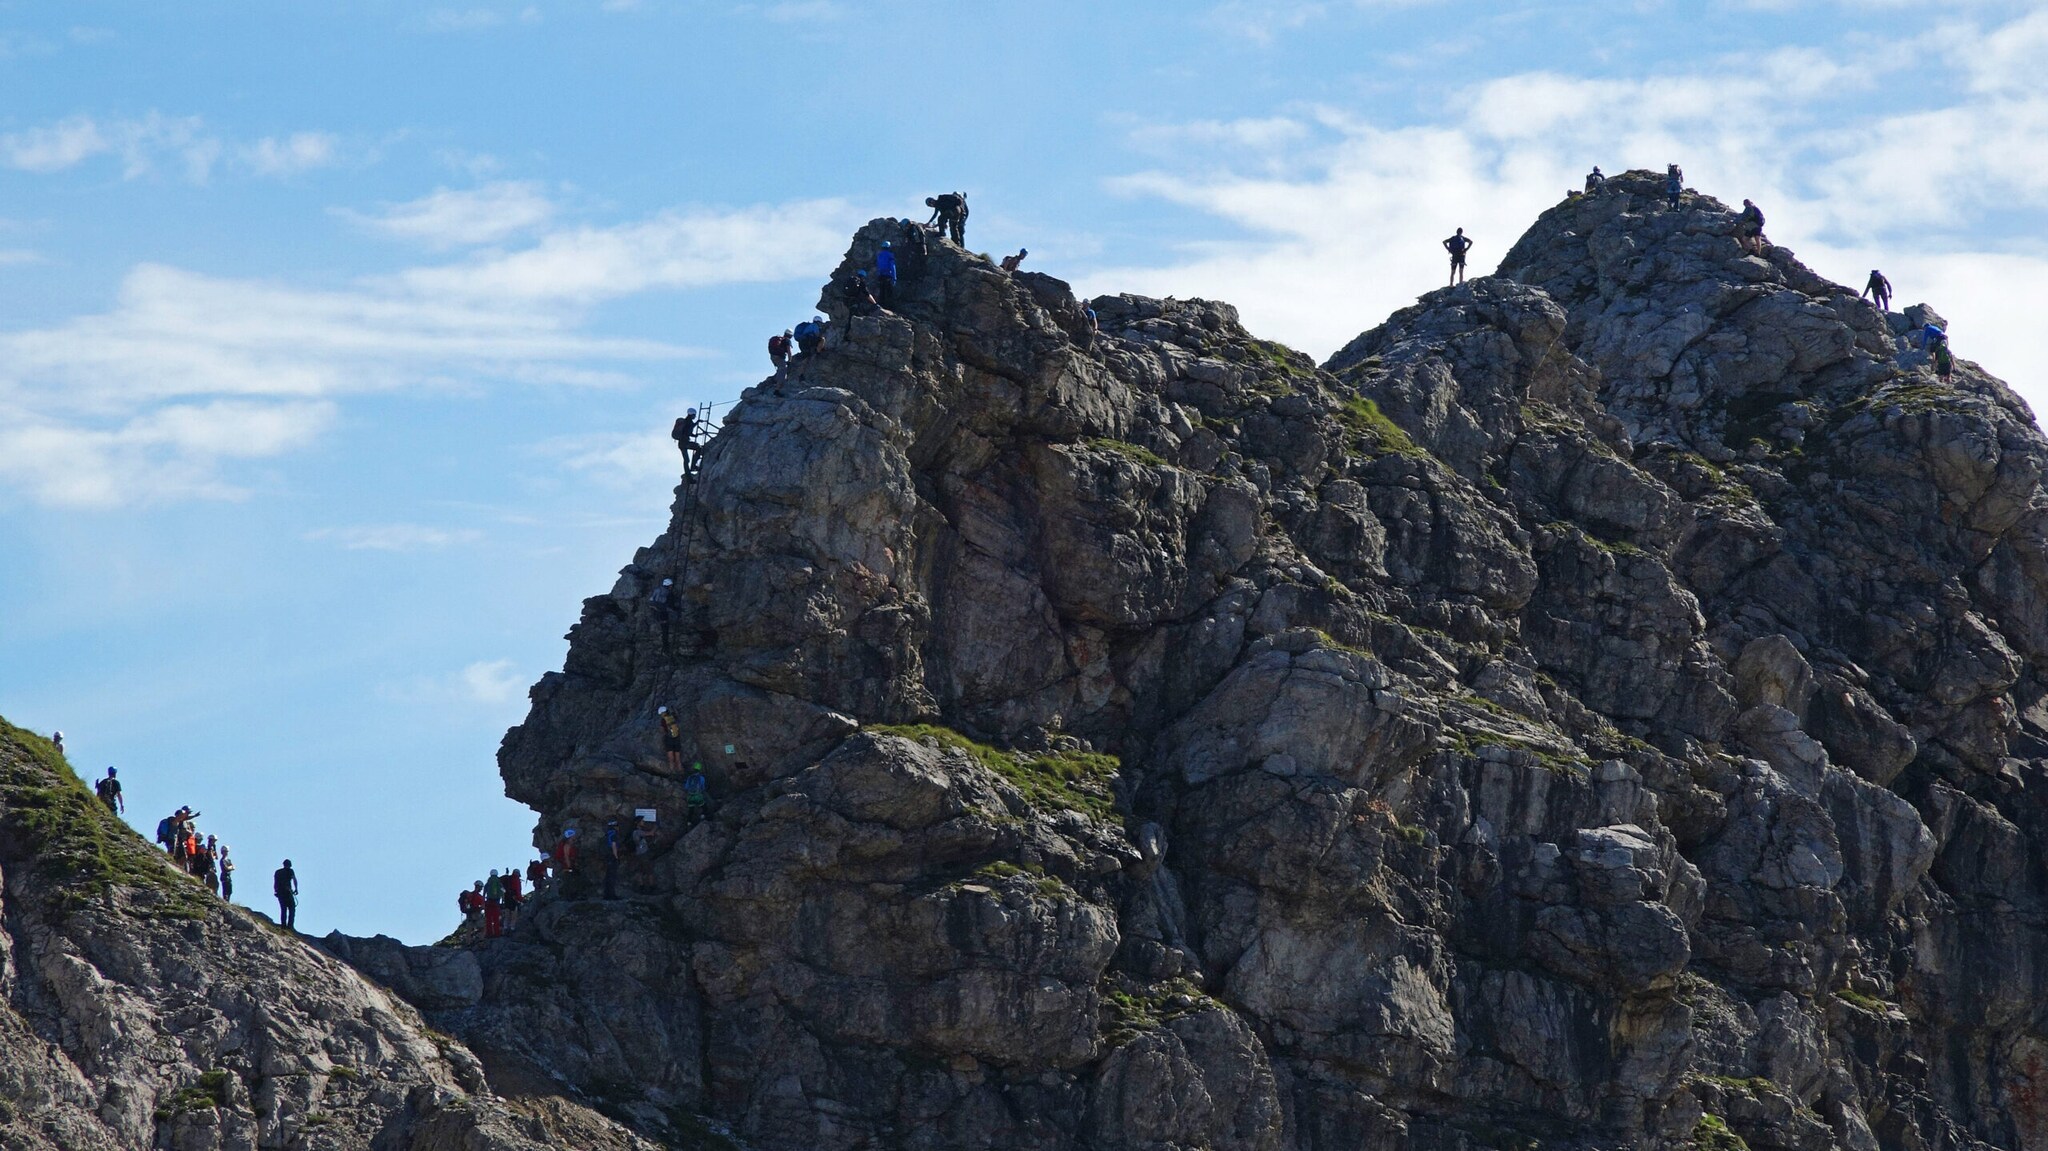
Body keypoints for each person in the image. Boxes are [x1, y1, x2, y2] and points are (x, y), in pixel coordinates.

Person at [649, 577, 677, 655]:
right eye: (671, 585)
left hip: (656, 613)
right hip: (662, 613)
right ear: (669, 585)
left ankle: (665, 649)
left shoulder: (657, 590)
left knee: (664, 631)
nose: (672, 587)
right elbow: (668, 606)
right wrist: (675, 610)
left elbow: (651, 602)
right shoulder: (667, 593)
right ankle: (665, 649)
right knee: (665, 631)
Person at [671, 408, 700, 474]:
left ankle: (688, 474)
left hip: (681, 443)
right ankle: (693, 466)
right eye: (694, 415)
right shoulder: (689, 421)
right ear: (692, 415)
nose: (695, 416)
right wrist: (697, 422)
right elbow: (689, 430)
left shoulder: (685, 421)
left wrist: (694, 435)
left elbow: (687, 432)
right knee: (698, 447)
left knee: (686, 460)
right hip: (685, 443)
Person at [658, 705, 685, 774]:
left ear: (662, 713)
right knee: (678, 758)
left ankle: (672, 773)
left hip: (669, 739)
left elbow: (662, 730)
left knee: (671, 758)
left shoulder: (663, 720)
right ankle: (681, 773)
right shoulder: (673, 716)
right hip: (677, 738)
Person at [274, 859, 298, 930]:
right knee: (292, 908)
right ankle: (290, 926)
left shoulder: (278, 872)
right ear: (290, 865)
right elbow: (294, 879)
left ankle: (283, 926)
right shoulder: (290, 871)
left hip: (280, 892)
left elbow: (275, 882)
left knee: (283, 909)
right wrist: (296, 889)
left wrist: (276, 891)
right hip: (287, 892)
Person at [874, 241, 898, 309]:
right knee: (889, 292)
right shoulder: (890, 255)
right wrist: (894, 277)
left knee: (882, 291)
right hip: (888, 275)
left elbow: (878, 266)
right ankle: (890, 307)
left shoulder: (879, 255)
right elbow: (892, 266)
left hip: (881, 276)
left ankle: (881, 307)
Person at [602, 819, 622, 900]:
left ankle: (606, 894)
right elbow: (614, 846)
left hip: (607, 856)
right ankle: (611, 895)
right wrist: (616, 857)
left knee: (608, 876)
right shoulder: (614, 834)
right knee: (612, 876)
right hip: (612, 857)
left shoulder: (607, 834)